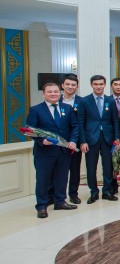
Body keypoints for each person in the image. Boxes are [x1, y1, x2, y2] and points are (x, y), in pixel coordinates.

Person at [27, 82, 79, 218]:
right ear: (43, 94)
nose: (53, 94)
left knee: (62, 178)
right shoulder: (36, 110)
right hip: (44, 152)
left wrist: (73, 141)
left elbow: (75, 126)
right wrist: (41, 140)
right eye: (49, 92)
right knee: (43, 180)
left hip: (64, 151)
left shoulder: (67, 108)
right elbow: (29, 130)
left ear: (59, 93)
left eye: (55, 91)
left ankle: (60, 201)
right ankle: (42, 206)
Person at [78, 75, 120, 204]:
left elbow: (115, 121)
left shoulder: (110, 101)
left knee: (108, 167)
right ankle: (94, 192)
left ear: (105, 85)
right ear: (91, 85)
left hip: (108, 138)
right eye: (96, 84)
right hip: (90, 139)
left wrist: (117, 138)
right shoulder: (85, 101)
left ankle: (107, 191)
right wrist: (83, 141)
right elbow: (80, 123)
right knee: (91, 167)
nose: (98, 86)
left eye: (101, 84)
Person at [59, 73, 83, 205]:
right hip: (58, 142)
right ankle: (56, 196)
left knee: (75, 169)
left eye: (73, 85)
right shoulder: (56, 100)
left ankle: (73, 194)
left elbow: (82, 123)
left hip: (76, 141)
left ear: (77, 87)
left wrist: (80, 140)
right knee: (58, 170)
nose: (70, 86)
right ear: (62, 85)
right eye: (67, 84)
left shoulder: (81, 101)